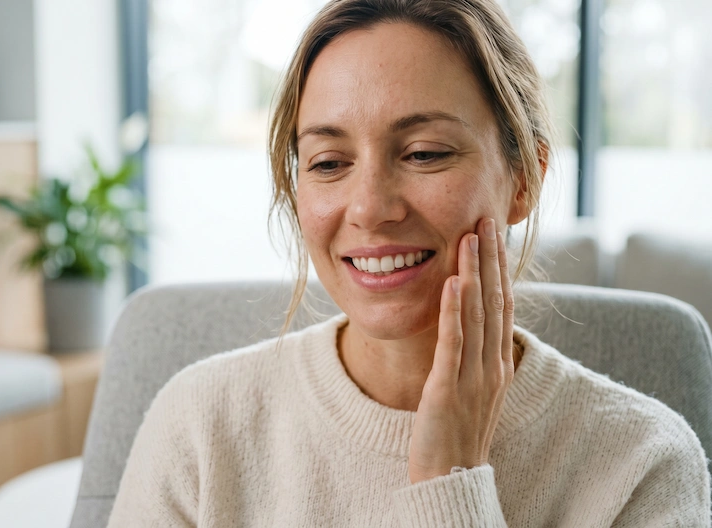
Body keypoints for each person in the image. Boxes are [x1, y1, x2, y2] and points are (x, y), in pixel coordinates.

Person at [108, 0, 711, 525]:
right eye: (327, 162)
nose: (370, 208)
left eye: (424, 153)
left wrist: (451, 483)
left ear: (524, 177)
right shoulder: (200, 425)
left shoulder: (644, 464)